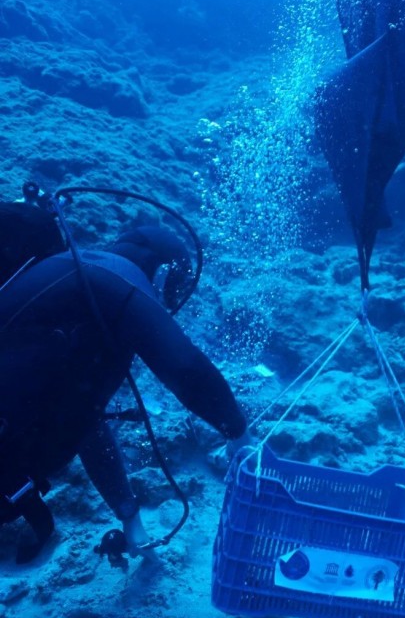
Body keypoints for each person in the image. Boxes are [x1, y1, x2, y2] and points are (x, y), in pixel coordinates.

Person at [0, 201, 248, 563]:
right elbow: (184, 366)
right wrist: (239, 435)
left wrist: (129, 516)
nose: (168, 306)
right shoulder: (116, 277)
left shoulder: (82, 296)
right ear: (163, 275)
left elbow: (86, 421)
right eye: (174, 293)